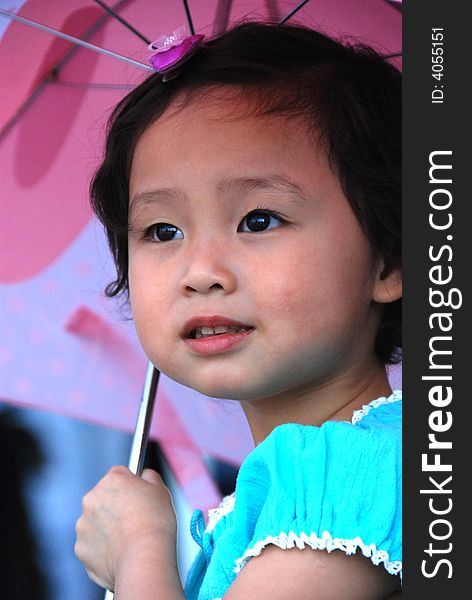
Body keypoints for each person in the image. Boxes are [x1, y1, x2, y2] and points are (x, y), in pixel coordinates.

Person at [74, 22, 402, 599]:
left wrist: (138, 555)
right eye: (162, 229)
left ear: (390, 261)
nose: (201, 272)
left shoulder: (351, 475)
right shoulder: (286, 488)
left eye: (259, 220)